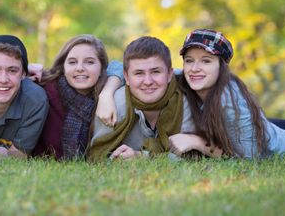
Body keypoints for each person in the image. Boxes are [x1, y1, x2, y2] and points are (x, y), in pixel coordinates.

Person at [170, 28, 285, 158]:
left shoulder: (230, 101)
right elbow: (160, 74)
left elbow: (248, 157)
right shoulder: (182, 80)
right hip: (266, 126)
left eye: (206, 61)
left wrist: (195, 142)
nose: (194, 69)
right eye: (189, 61)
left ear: (221, 67)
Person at [88, 36, 220, 162]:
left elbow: (194, 155)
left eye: (156, 72)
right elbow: (98, 154)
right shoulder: (113, 103)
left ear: (169, 74)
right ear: (126, 78)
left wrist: (142, 157)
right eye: (139, 73)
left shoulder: (186, 99)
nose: (148, 81)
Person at [32, 34, 109, 160]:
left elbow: (124, 68)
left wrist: (108, 93)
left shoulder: (107, 95)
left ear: (101, 68)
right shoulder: (45, 88)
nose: (80, 68)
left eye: (89, 62)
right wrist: (26, 67)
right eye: (72, 62)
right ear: (63, 66)